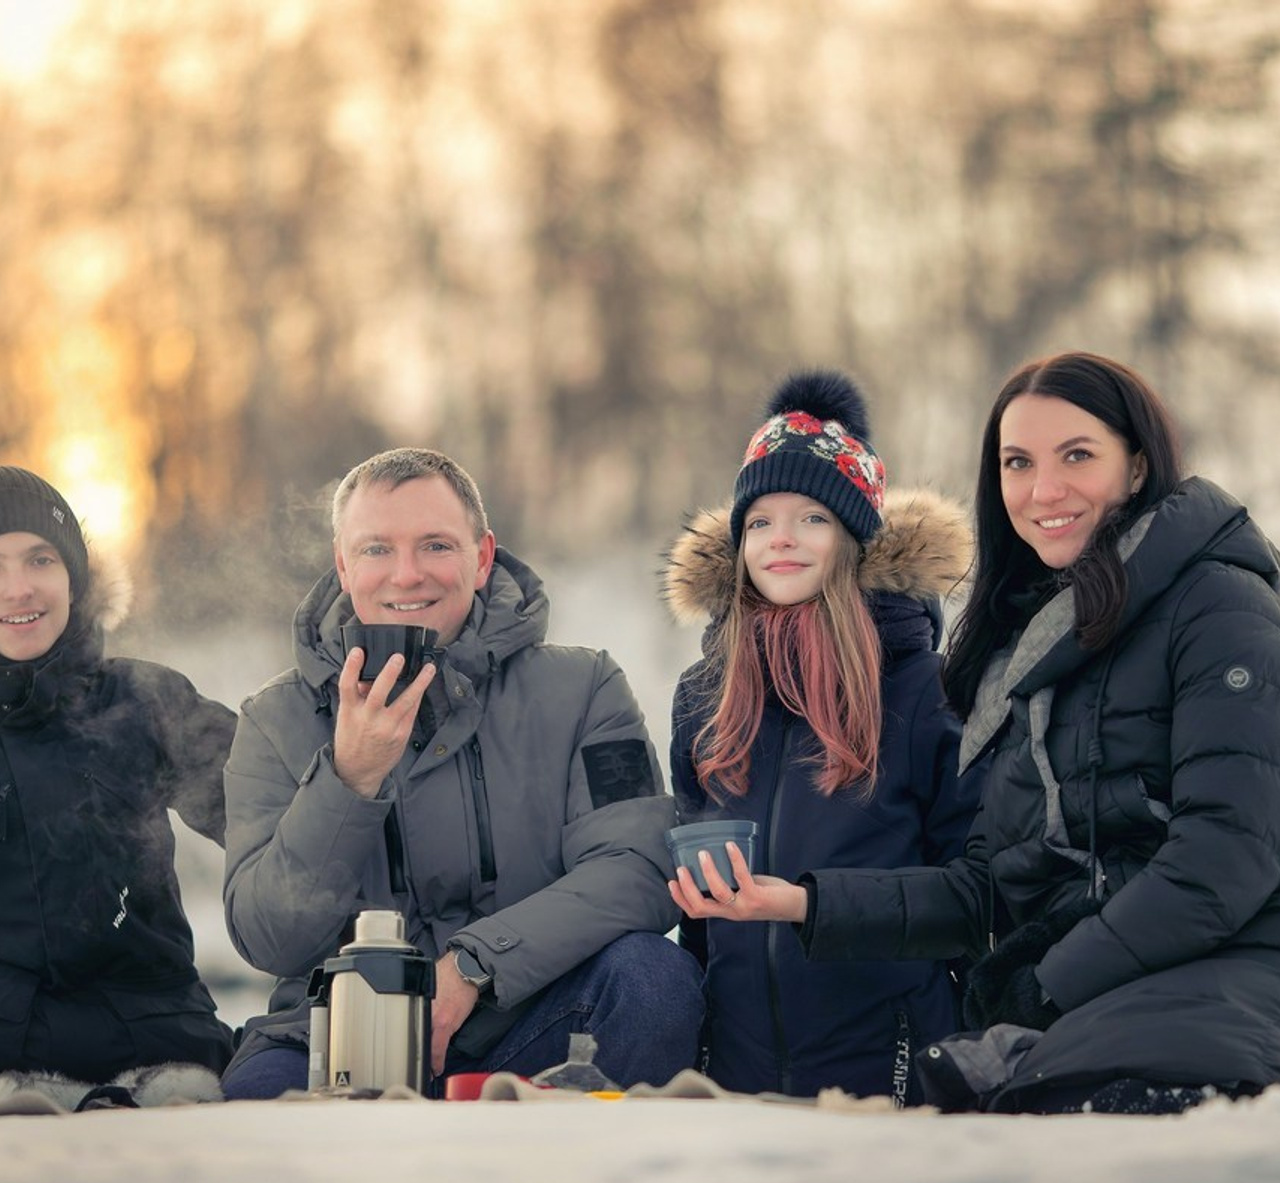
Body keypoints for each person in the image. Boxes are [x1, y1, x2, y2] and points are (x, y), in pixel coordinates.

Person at [672, 352, 1280, 1114]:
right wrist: (803, 903)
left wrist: (1045, 985)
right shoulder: (1024, 648)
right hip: (1084, 984)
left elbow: (1224, 862)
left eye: (1077, 455)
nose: (1043, 489)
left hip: (1218, 972)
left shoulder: (1220, 608)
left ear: (1137, 466)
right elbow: (986, 886)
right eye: (1017, 462)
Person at [220, 447, 702, 1098]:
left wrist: (477, 965)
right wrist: (350, 779)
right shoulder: (275, 719)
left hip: (533, 1018)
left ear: (481, 559)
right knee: (254, 1105)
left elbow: (638, 868)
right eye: (376, 550)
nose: (407, 575)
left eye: (436, 545)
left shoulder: (583, 687)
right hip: (330, 1036)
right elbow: (268, 937)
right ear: (342, 564)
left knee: (653, 978)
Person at [663, 369, 986, 1102]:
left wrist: (807, 905)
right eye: (759, 521)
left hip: (897, 1070)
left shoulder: (926, 689)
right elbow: (701, 924)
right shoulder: (703, 696)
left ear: (853, 540)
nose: (781, 539)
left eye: (812, 517)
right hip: (736, 1078)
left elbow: (976, 897)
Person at [0, 466, 236, 1094]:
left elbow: (275, 820)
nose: (18, 589)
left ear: (74, 578)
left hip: (158, 1042)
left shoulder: (144, 700)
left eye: (39, 559)